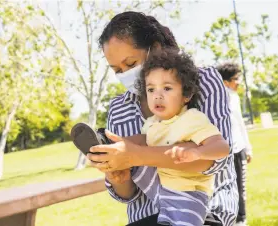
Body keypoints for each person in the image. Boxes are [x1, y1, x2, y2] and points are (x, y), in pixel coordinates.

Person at [87, 11, 238, 226]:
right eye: (117, 70)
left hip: (204, 210)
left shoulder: (203, 81)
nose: (125, 74)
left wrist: (136, 156)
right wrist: (116, 173)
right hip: (147, 216)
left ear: (156, 48)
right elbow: (128, 194)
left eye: (130, 64)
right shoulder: (119, 108)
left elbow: (215, 159)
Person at [126, 48, 230, 225]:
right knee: (132, 156)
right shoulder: (151, 123)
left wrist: (199, 153)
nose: (158, 95)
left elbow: (222, 148)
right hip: (162, 190)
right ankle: (107, 144)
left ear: (186, 95)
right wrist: (121, 147)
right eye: (151, 90)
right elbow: (142, 142)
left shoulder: (192, 118)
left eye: (167, 88)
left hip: (189, 195)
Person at [217, 63, 253, 226]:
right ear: (225, 82)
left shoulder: (235, 97)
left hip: (238, 149)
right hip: (222, 153)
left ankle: (241, 220)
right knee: (224, 190)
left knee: (240, 188)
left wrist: (248, 148)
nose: (238, 82)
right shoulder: (216, 98)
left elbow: (240, 124)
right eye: (235, 79)